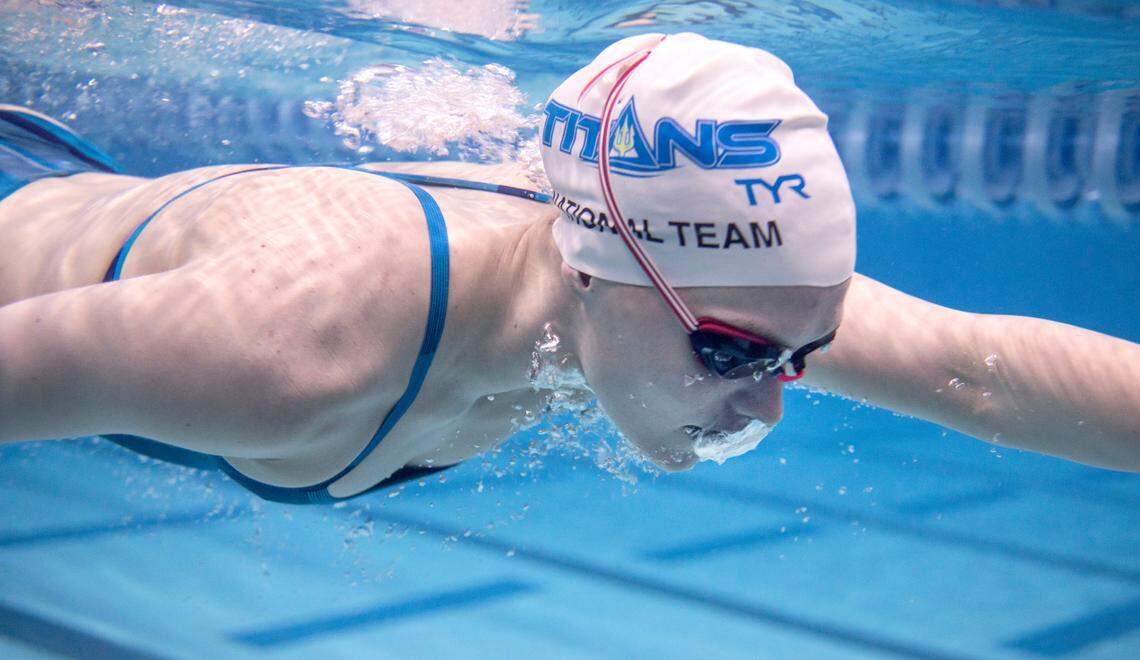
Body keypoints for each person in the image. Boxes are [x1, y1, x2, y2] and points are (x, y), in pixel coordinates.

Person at [0, 34, 1136, 505]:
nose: (768, 407)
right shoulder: (290, 345)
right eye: (733, 354)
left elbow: (976, 374)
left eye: (802, 356)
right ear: (594, 270)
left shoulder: (678, 291)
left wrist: (757, 342)